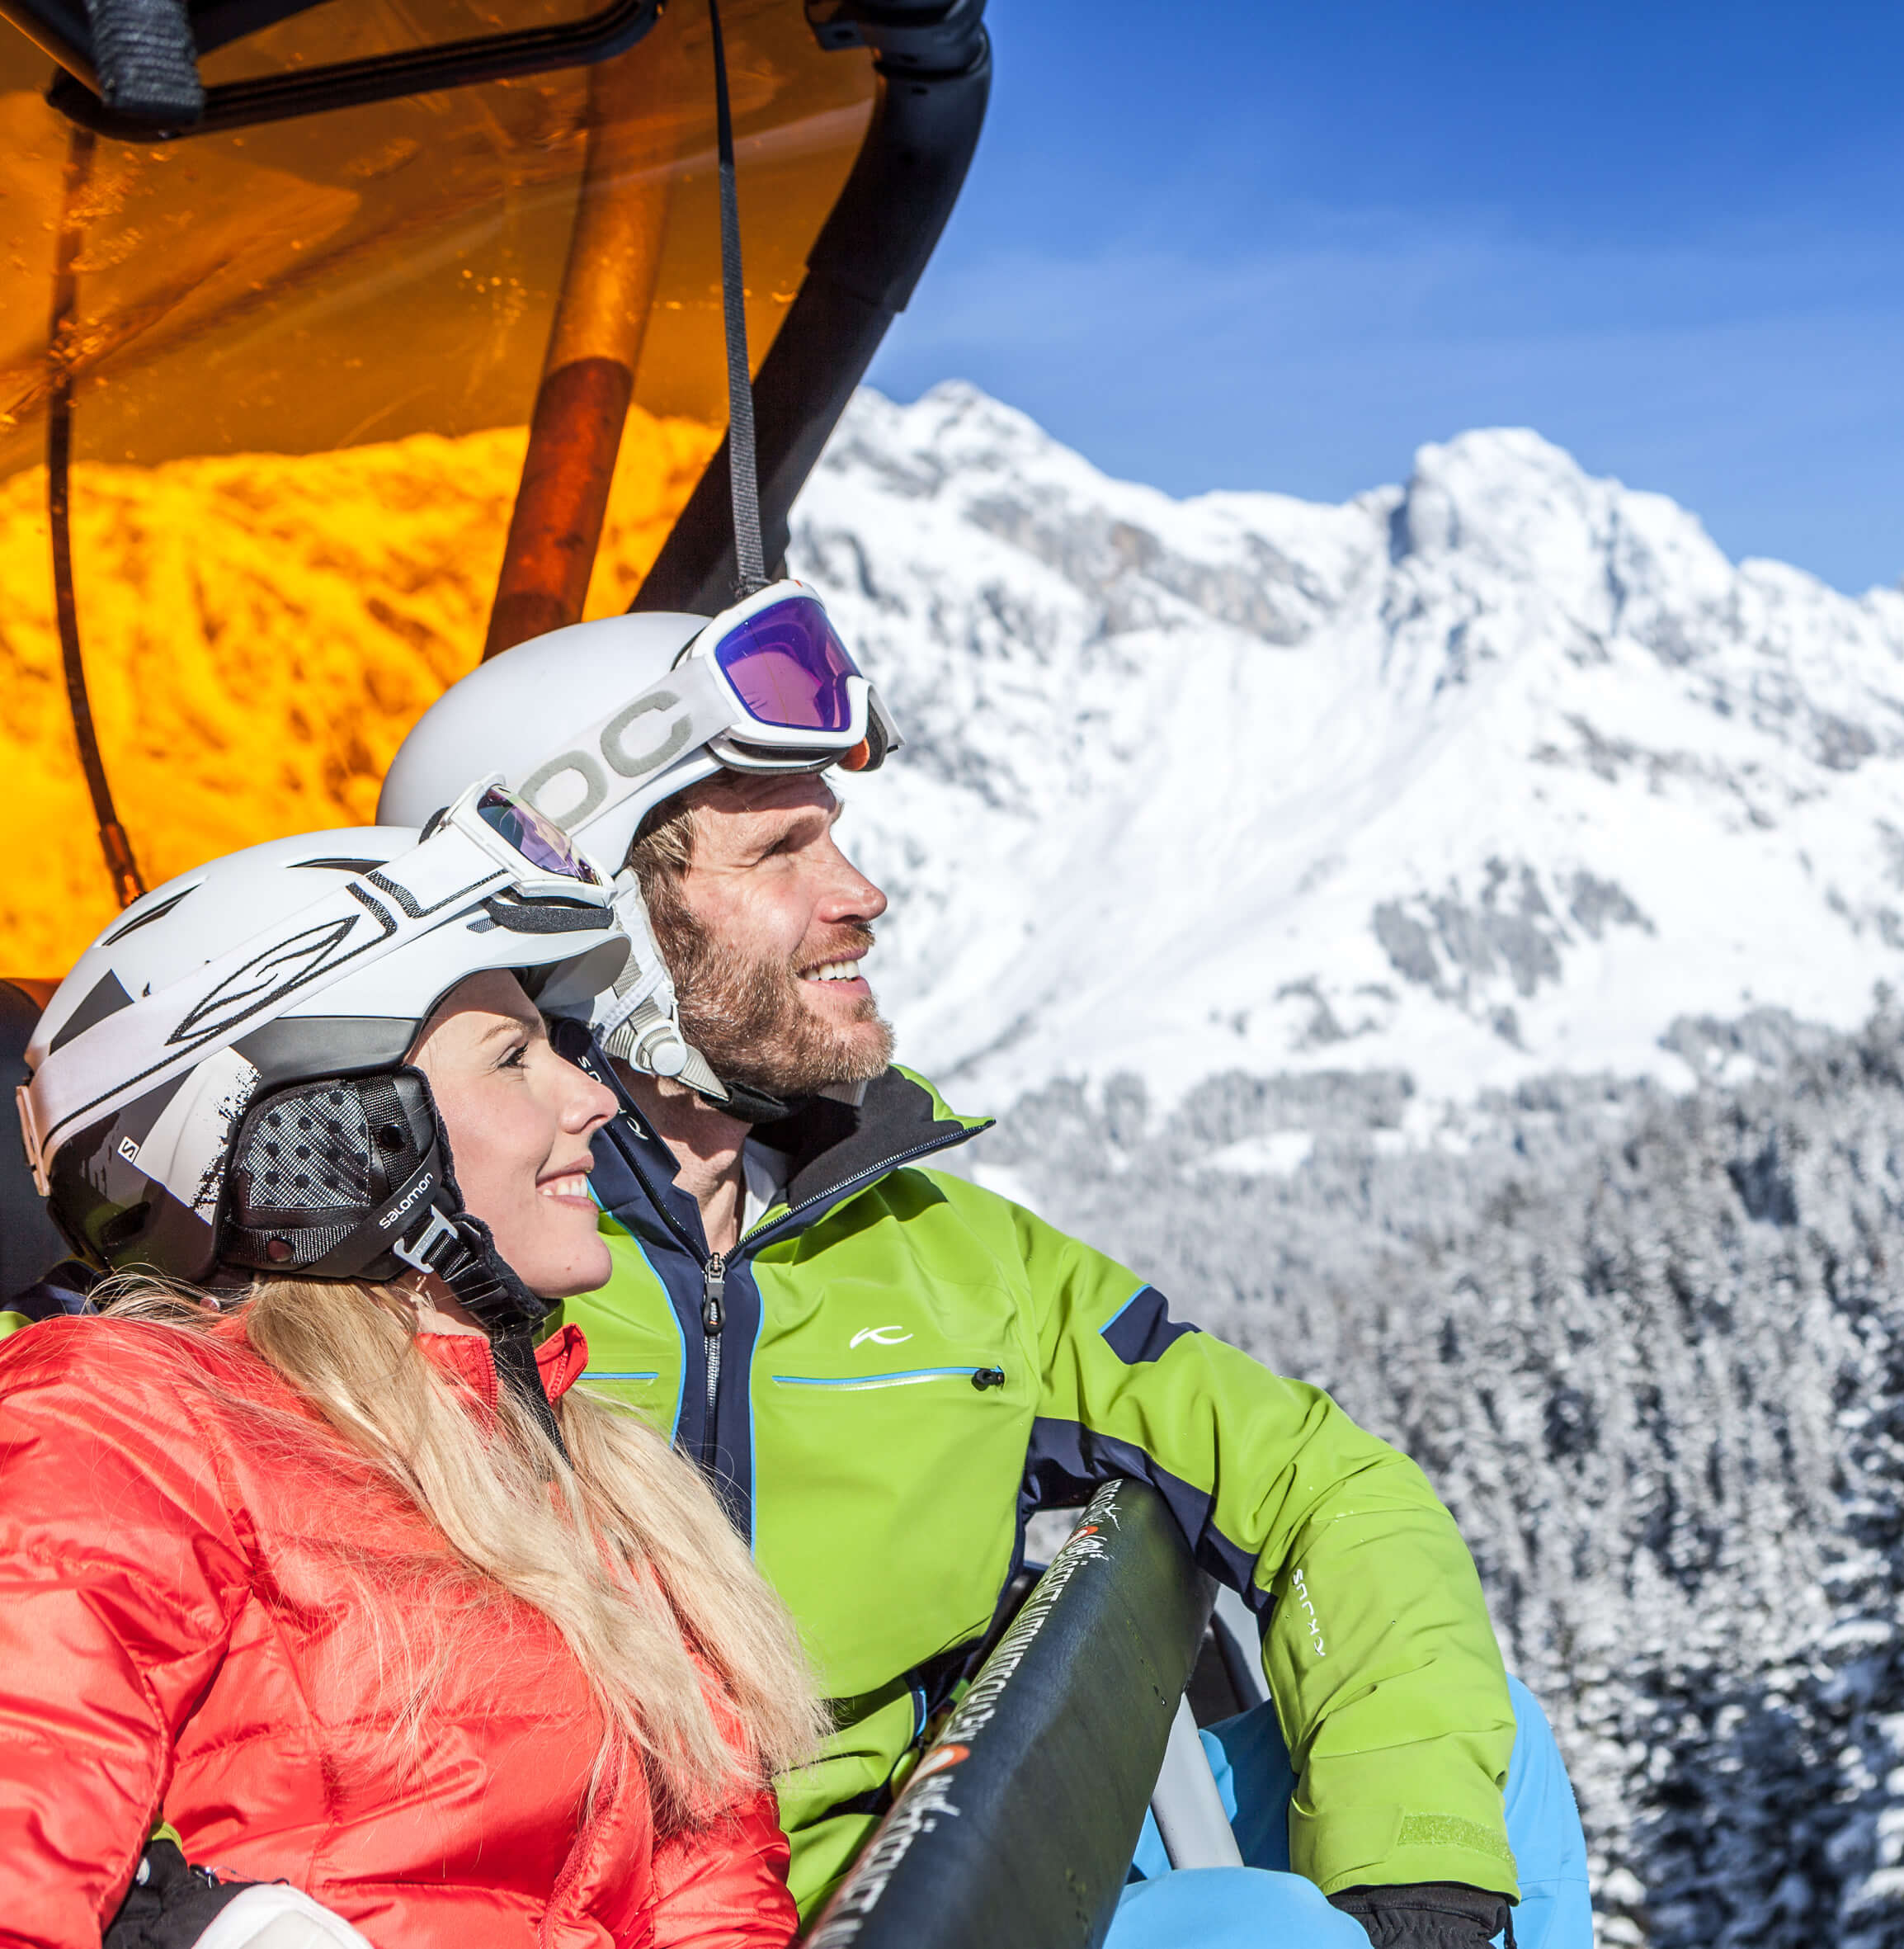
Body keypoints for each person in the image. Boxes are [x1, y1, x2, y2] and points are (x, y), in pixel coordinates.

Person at [375, 584, 1593, 1948]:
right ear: (578, 927)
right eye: (780, 851)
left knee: (1477, 1762)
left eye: (835, 836)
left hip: (951, 1848)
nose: (860, 893)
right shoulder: (423, 1297)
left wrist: (1418, 1879)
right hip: (714, 1910)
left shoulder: (939, 1253)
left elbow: (1325, 1481)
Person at [2, 786, 827, 1947]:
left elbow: (715, 1892)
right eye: (514, 1058)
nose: (594, 1099)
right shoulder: (124, 1430)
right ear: (327, 1137)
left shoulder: (589, 1474)